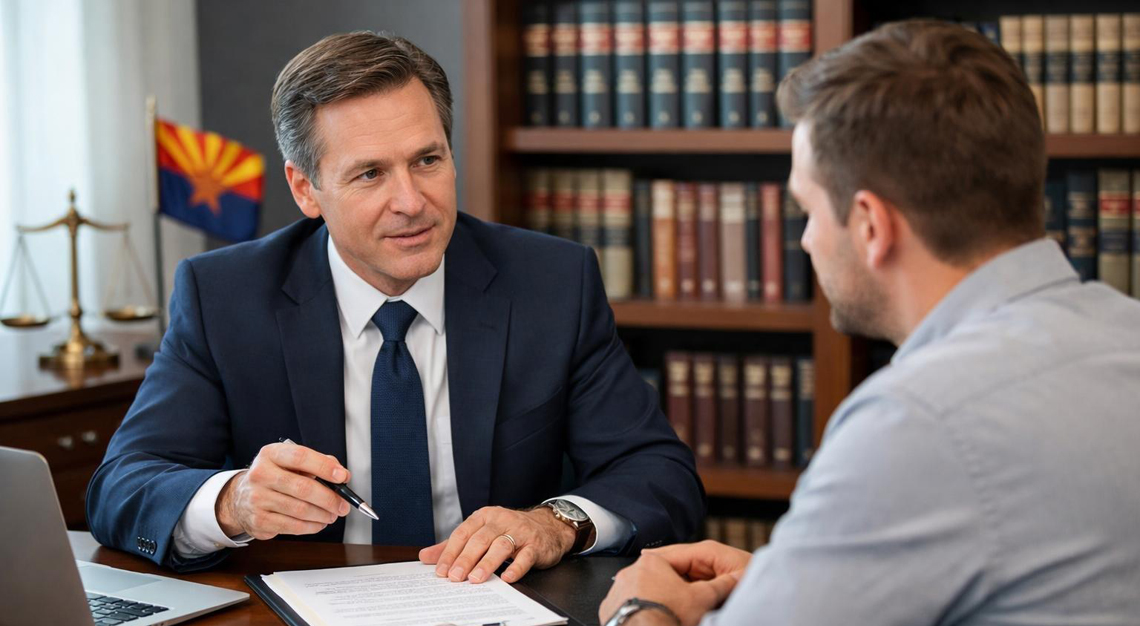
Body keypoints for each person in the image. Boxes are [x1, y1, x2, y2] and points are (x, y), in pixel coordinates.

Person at [87, 32, 703, 580]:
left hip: (496, 603)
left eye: (427, 160)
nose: (411, 201)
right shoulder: (224, 295)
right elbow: (122, 487)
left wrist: (555, 522)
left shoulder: (551, 282)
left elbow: (659, 474)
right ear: (306, 189)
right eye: (370, 174)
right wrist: (234, 502)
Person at [599, 20, 1140, 626]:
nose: (804, 240)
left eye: (807, 210)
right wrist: (798, 575)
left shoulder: (915, 422)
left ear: (871, 226)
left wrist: (638, 610)